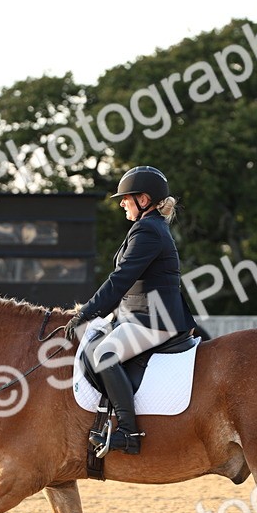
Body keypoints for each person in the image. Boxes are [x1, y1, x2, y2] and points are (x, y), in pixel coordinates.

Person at [64, 165, 197, 456]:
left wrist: (86, 312)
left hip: (155, 319)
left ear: (144, 200)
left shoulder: (148, 230)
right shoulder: (148, 227)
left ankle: (128, 431)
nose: (122, 203)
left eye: (126, 198)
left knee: (105, 355)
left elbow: (121, 279)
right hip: (139, 315)